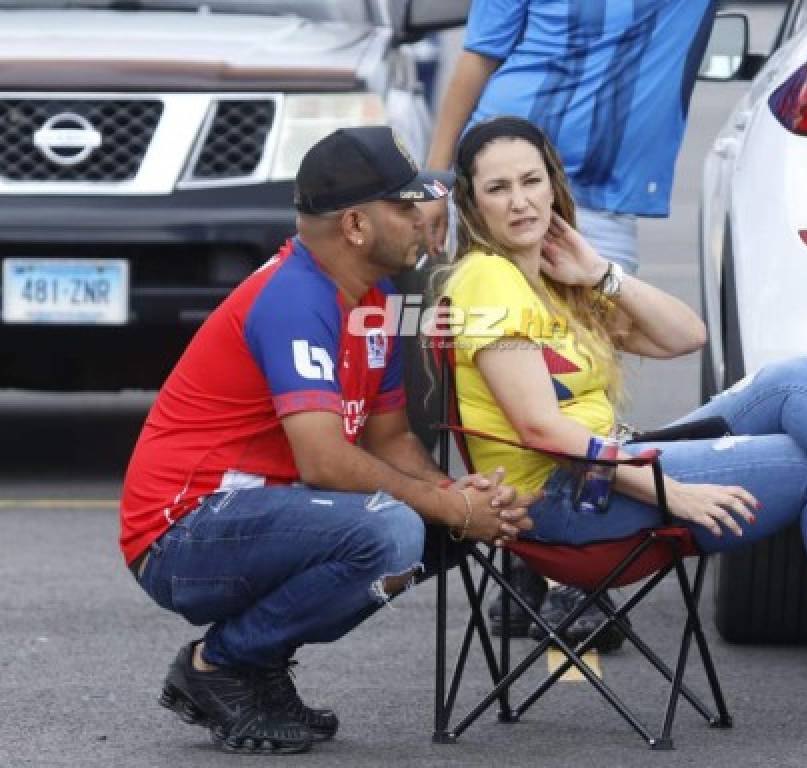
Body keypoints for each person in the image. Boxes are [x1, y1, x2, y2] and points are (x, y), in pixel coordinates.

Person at [435, 116, 807, 749]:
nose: (521, 201)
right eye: (498, 188)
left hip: (611, 469)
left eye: (532, 181)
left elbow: (685, 336)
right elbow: (538, 427)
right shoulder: (485, 280)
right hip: (565, 502)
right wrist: (671, 492)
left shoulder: (554, 281)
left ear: (554, 186)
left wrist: (600, 271)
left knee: (791, 380)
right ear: (472, 204)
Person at [426, 0, 807, 644]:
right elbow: (481, 56)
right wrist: (439, 181)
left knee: (583, 367)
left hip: (605, 189)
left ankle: (572, 572)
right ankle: (528, 547)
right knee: (515, 377)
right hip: (511, 176)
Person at [119, 126, 535, 755]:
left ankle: (254, 666)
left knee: (436, 529)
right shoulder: (294, 298)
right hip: (181, 536)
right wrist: (448, 505)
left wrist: (461, 499)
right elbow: (323, 460)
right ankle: (218, 665)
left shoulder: (375, 295)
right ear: (356, 227)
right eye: (404, 205)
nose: (424, 216)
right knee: (394, 531)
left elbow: (391, 437)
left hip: (257, 516)